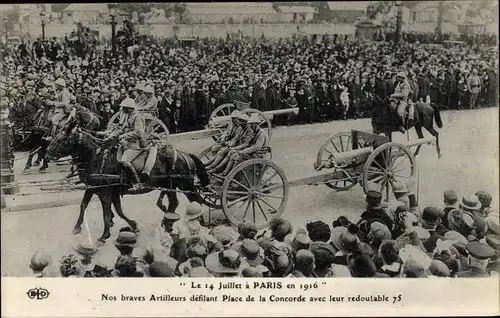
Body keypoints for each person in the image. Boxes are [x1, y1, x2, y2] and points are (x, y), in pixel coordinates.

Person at [113, 98, 146, 191]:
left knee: (124, 161)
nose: (123, 109)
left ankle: (137, 182)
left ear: (130, 108)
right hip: (127, 144)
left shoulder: (137, 117)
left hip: (136, 145)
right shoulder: (129, 116)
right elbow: (122, 130)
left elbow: (139, 132)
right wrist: (110, 137)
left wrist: (124, 135)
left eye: (124, 107)